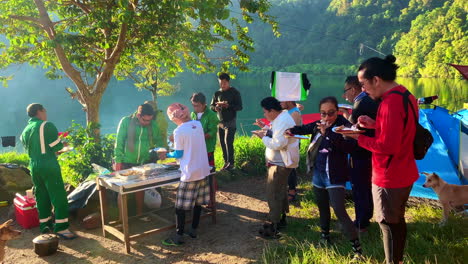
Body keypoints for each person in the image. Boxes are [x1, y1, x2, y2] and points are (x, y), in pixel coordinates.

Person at [348, 55, 419, 264]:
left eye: (363, 84)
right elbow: (402, 129)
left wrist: (358, 138)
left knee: (387, 223)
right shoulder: (405, 94)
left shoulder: (389, 103)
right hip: (404, 169)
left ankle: (392, 261)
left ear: (376, 80)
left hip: (390, 175)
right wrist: (374, 124)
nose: (362, 90)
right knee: (397, 220)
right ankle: (397, 259)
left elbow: (388, 147)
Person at [286, 97, 363, 259]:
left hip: (334, 175)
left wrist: (327, 133)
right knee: (322, 207)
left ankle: (357, 250)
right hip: (319, 173)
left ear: (337, 111)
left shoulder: (345, 126)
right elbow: (303, 128)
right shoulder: (319, 124)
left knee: (339, 210)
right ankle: (324, 236)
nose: (327, 117)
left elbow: (350, 146)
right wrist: (282, 131)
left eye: (331, 113)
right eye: (323, 114)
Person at [20, 104, 77, 239]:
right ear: (40, 111)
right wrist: (65, 145)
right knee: (58, 196)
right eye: (45, 111)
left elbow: (35, 149)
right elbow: (56, 146)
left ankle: (45, 226)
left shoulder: (25, 131)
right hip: (48, 165)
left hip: (33, 165)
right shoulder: (46, 125)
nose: (46, 114)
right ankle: (62, 228)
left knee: (41, 196)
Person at [161, 103, 211, 246]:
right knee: (197, 203)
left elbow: (178, 153)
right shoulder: (198, 124)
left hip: (190, 173)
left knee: (180, 207)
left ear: (173, 117)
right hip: (203, 169)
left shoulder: (179, 131)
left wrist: (166, 154)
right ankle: (193, 230)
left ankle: (178, 237)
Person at [252, 97, 299, 239]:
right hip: (279, 162)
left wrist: (263, 138)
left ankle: (272, 226)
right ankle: (281, 218)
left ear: (272, 111)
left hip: (280, 163)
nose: (265, 115)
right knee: (280, 191)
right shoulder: (281, 118)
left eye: (265, 112)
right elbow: (275, 133)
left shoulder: (284, 120)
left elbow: (278, 143)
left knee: (273, 193)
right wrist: (265, 129)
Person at [114, 103, 168, 215]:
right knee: (123, 190)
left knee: (140, 188)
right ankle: (121, 217)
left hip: (143, 162)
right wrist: (118, 160)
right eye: (145, 120)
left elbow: (159, 140)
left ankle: (140, 214)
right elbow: (119, 142)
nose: (147, 123)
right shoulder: (126, 122)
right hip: (126, 160)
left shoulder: (152, 125)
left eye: (149, 120)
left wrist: (162, 150)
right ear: (139, 115)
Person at [341, 76, 379, 232]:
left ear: (353, 89)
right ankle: (366, 217)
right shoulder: (370, 100)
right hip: (370, 150)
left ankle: (361, 223)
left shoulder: (360, 102)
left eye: (346, 91)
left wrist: (343, 124)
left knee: (359, 187)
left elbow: (354, 128)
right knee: (365, 186)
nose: (345, 96)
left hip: (361, 151)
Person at [210, 73, 243, 170]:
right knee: (222, 143)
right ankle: (226, 162)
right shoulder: (217, 93)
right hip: (220, 121)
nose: (222, 85)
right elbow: (211, 106)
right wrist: (215, 108)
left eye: (224, 83)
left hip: (231, 120)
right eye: (220, 83)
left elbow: (239, 107)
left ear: (228, 82)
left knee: (228, 142)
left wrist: (228, 106)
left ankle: (231, 164)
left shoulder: (235, 92)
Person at [190, 93, 219, 171]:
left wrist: (199, 137)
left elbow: (212, 132)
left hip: (207, 147)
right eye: (193, 105)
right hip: (196, 148)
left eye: (197, 106)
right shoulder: (193, 114)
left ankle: (212, 183)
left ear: (204, 104)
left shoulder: (211, 115)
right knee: (198, 170)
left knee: (210, 170)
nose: (195, 108)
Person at [280, 101, 302, 202]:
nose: (280, 103)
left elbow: (293, 130)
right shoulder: (288, 111)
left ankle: (292, 191)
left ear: (288, 100)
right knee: (287, 166)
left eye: (281, 101)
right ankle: (289, 188)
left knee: (290, 167)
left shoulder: (294, 113)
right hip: (287, 143)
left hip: (292, 144)